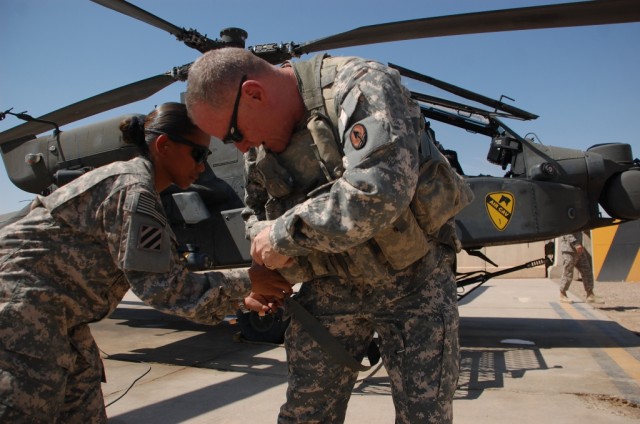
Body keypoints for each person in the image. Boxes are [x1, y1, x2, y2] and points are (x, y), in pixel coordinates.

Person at [186, 48, 471, 423]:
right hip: (330, 285)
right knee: (305, 415)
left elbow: (379, 190)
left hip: (414, 281)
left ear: (254, 93)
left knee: (425, 416)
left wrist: (282, 237)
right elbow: (253, 210)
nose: (239, 146)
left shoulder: (360, 84)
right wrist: (262, 242)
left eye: (234, 133)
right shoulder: (257, 146)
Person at [0, 102, 290, 423]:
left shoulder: (141, 189)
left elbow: (168, 279)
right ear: (163, 146)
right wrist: (249, 279)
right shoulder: (133, 190)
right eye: (198, 154)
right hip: (19, 312)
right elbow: (165, 288)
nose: (203, 166)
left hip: (60, 318)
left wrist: (241, 297)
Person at [559, 231, 603, 304]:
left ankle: (590, 295)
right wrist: (575, 244)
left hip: (578, 249)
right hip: (568, 249)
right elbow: (566, 231)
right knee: (568, 272)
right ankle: (562, 294)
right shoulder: (568, 219)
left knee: (586, 270)